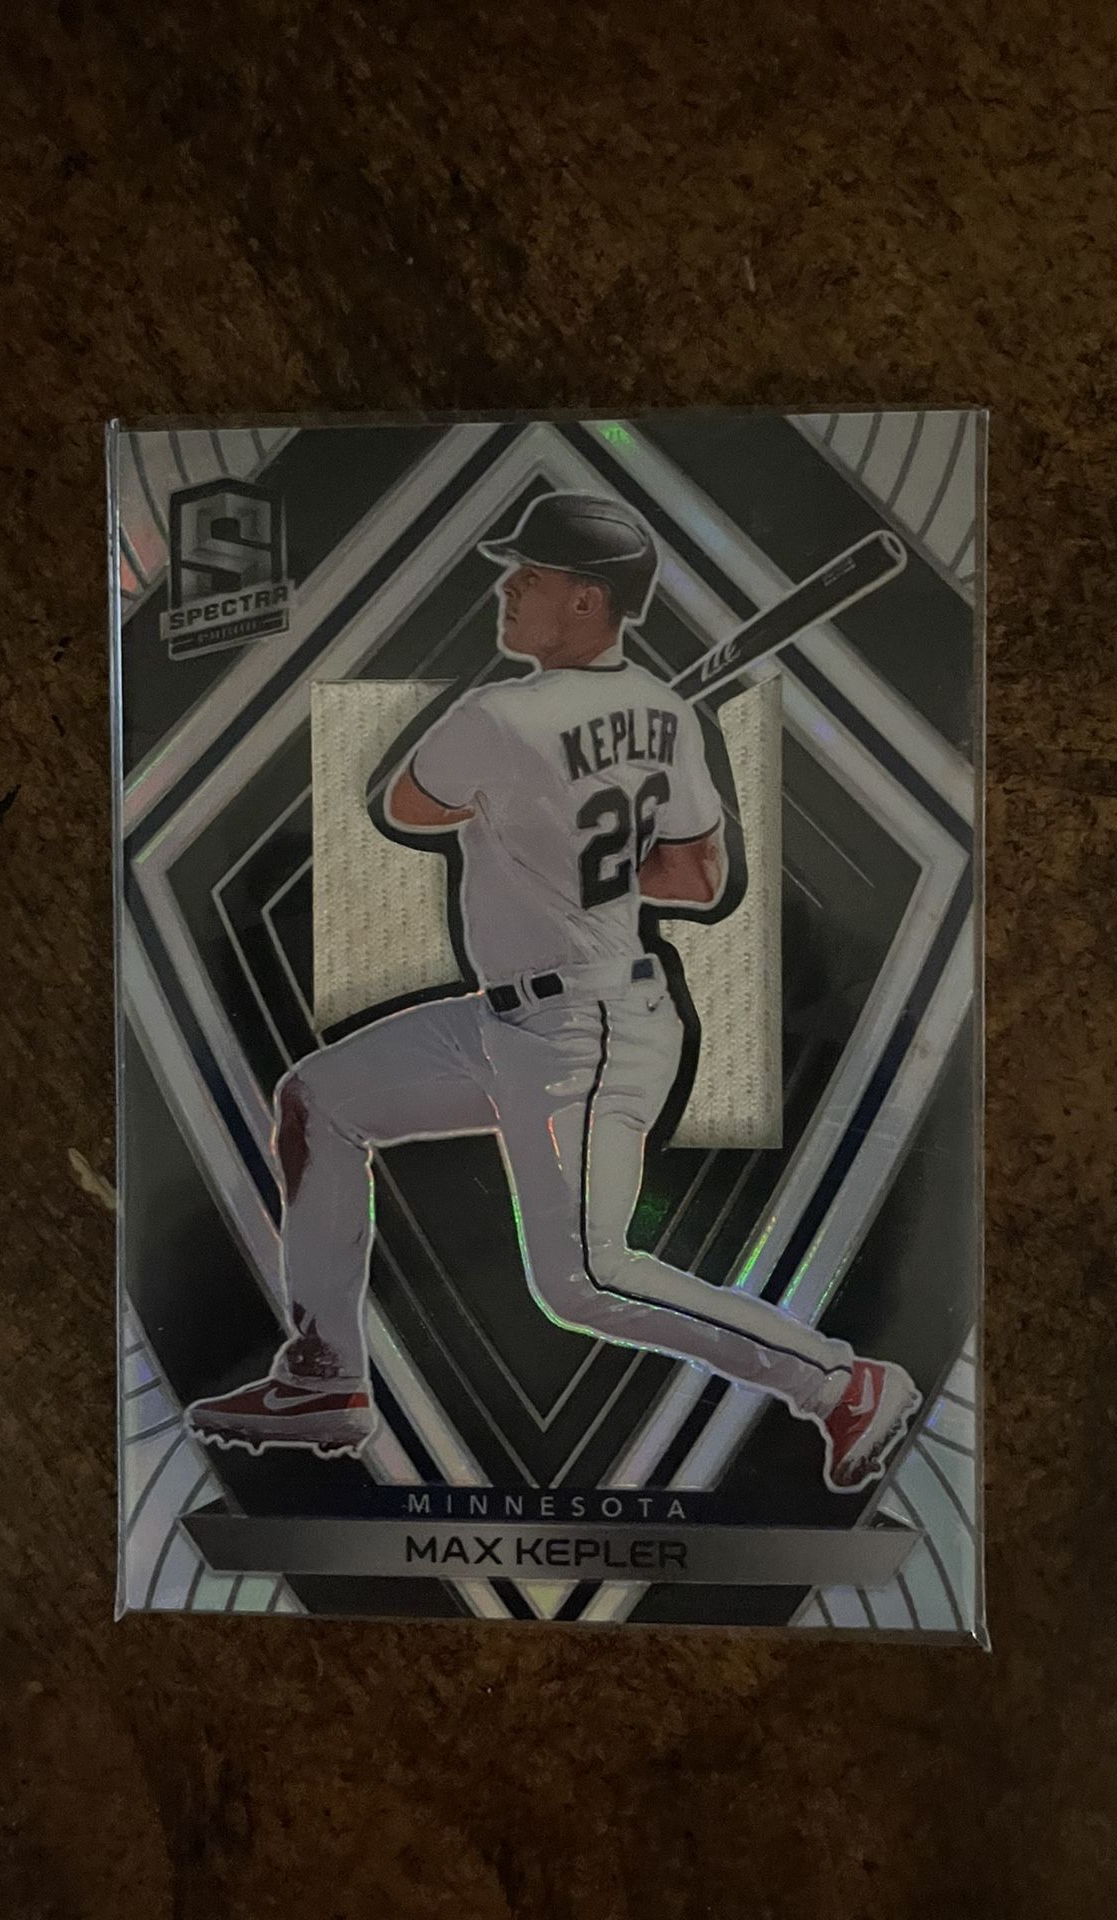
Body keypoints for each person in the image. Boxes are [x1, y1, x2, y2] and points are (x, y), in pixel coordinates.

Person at [187, 492, 918, 1491]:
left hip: (588, 1029)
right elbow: (697, 878)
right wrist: (588, 848)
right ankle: (324, 1376)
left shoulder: (498, 714)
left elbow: (408, 806)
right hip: (510, 1021)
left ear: (587, 599)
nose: (508, 588)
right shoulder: (665, 716)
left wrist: (549, 817)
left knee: (583, 1280)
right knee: (320, 1099)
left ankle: (837, 1381)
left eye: (529, 576)